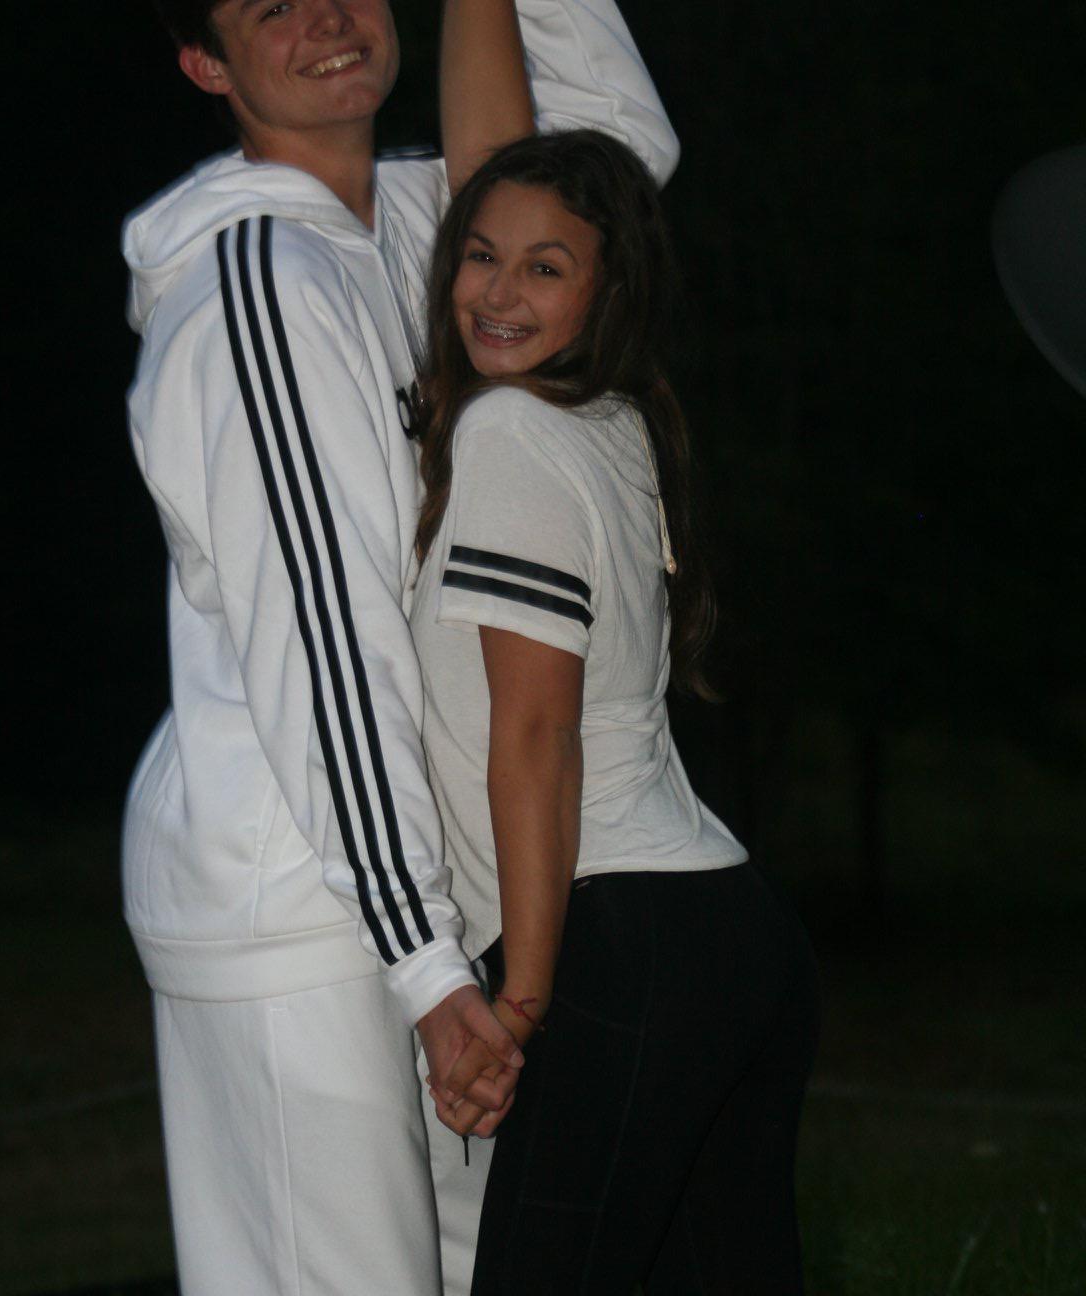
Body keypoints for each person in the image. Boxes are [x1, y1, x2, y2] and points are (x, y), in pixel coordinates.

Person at [121, 3, 680, 1293]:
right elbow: (321, 644)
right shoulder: (260, 284)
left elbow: (619, 151)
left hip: (415, 892)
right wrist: (427, 966)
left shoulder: (435, 224)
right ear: (207, 63)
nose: (326, 16)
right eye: (269, 7)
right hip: (303, 908)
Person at [409, 129, 820, 1295]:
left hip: (623, 948)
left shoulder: (511, 432)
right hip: (731, 937)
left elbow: (537, 737)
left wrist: (523, 1004)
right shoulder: (616, 423)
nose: (498, 293)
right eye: (481, 255)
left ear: (611, 290)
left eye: (545, 267)